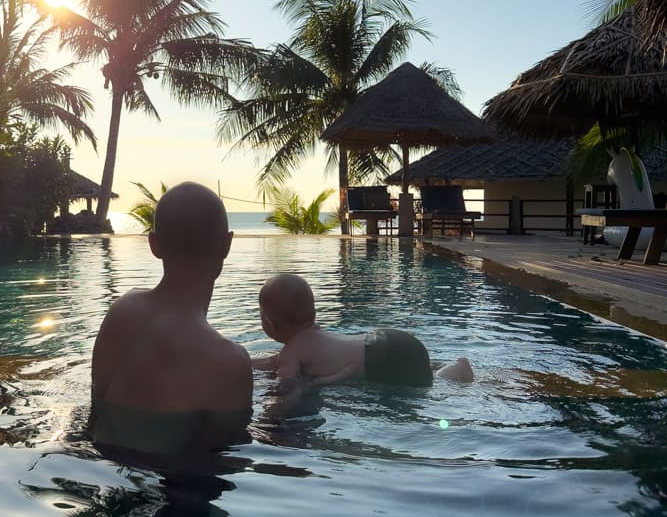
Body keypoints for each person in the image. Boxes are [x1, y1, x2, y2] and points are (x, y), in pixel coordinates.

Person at [90, 182, 253, 457]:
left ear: (154, 244)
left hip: (101, 462)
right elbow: (225, 456)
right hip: (171, 485)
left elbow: (96, 410)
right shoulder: (229, 361)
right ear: (226, 245)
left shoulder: (122, 310)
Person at [253, 273, 473, 395]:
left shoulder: (292, 352)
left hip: (381, 359)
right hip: (385, 340)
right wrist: (247, 362)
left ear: (268, 323)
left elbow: (287, 387)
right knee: (422, 371)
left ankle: (456, 370)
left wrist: (271, 419)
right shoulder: (313, 337)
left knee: (427, 385)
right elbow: (275, 361)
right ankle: (452, 367)